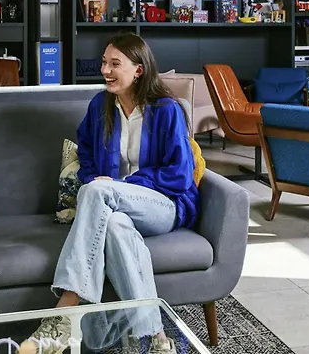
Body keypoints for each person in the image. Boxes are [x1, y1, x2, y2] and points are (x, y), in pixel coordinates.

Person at [22, 33, 199, 354]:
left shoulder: (166, 109)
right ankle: (156, 338)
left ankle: (64, 312)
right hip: (113, 208)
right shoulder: (99, 106)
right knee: (114, 224)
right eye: (104, 62)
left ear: (138, 70)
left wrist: (124, 184)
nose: (105, 70)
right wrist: (99, 180)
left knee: (98, 190)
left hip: (163, 205)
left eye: (115, 64)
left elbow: (180, 175)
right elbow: (86, 154)